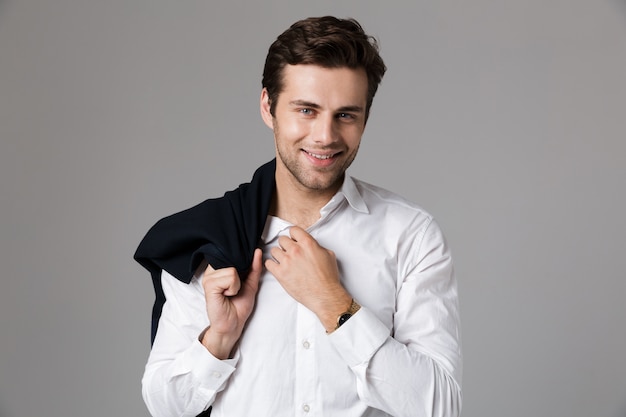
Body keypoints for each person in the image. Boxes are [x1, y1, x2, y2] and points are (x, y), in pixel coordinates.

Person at [136, 16, 462, 417]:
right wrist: (219, 338)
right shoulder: (210, 239)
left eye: (346, 115)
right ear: (267, 107)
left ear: (365, 119)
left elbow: (440, 407)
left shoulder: (410, 234)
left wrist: (333, 303)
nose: (325, 135)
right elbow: (166, 407)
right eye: (306, 110)